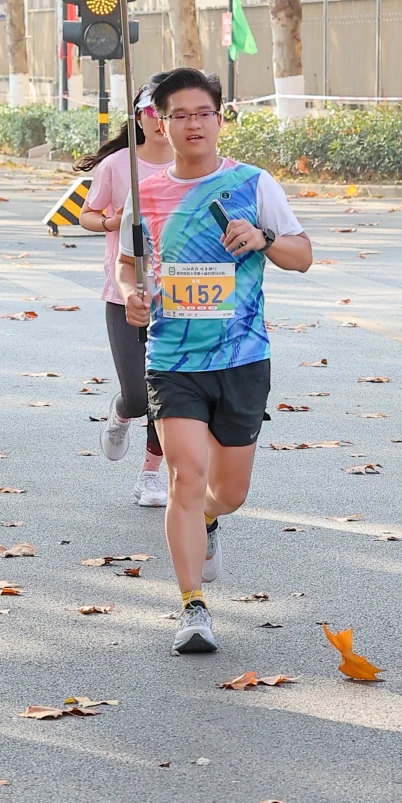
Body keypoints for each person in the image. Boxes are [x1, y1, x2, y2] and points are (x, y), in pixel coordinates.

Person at [118, 68, 312, 656]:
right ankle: (192, 607)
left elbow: (302, 256)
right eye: (180, 115)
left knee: (226, 491)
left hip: (242, 356)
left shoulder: (254, 185)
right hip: (172, 356)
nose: (193, 124)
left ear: (220, 119)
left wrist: (262, 240)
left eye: (204, 113)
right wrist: (132, 293)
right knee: (185, 477)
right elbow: (132, 266)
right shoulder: (145, 191)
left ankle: (209, 520)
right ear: (161, 122)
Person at [78, 77, 172, 507]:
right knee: (138, 395)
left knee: (164, 392)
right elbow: (88, 216)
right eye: (150, 112)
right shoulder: (118, 165)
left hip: (179, 299)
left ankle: (151, 474)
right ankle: (121, 412)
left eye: (165, 111)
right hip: (126, 293)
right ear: (138, 118)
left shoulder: (194, 166)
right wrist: (111, 223)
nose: (158, 121)